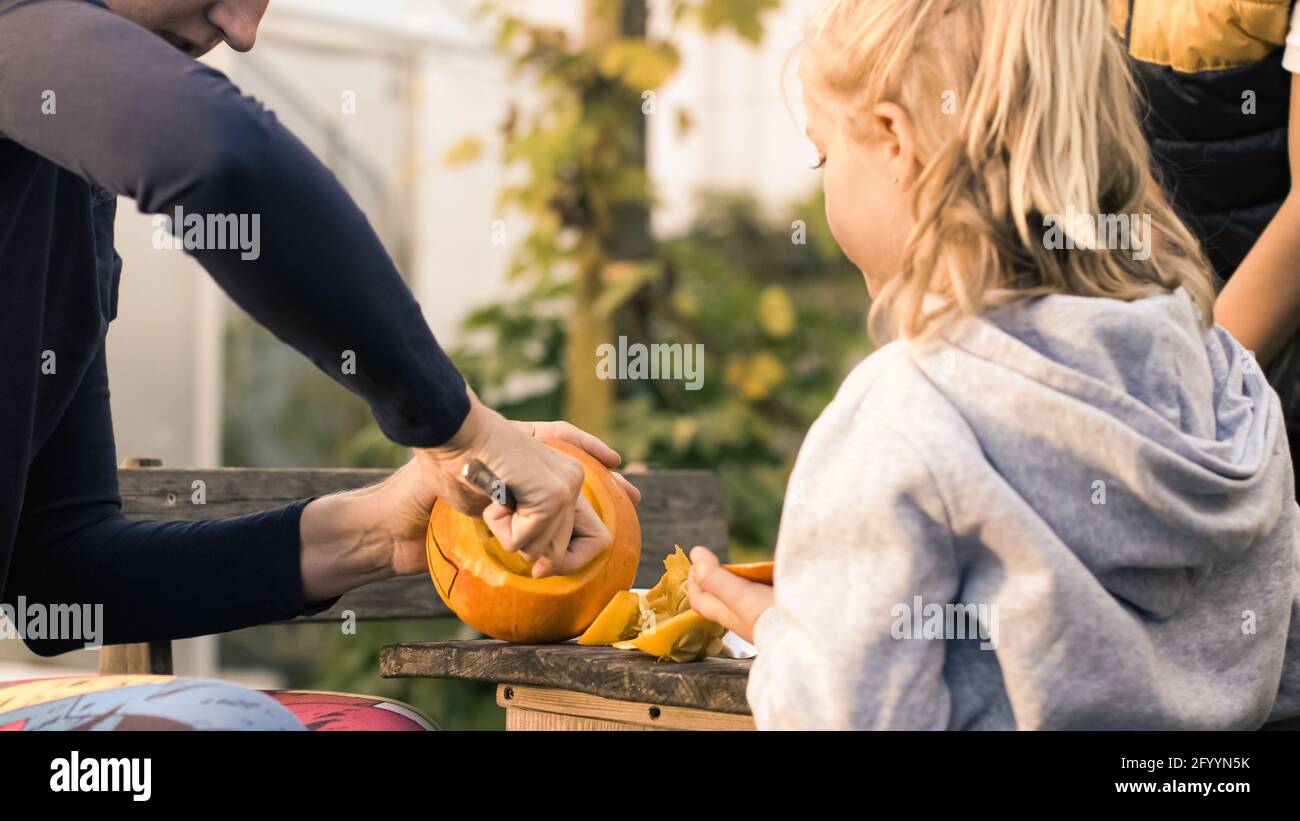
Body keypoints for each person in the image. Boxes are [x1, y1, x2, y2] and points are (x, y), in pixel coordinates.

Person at [688, 0, 1300, 730]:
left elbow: (851, 715)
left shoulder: (903, 418)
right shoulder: (1231, 389)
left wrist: (795, 638)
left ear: (892, 138)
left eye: (824, 154)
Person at [0, 0, 640, 670]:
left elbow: (59, 571)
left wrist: (381, 530)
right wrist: (464, 433)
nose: (242, 30)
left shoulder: (60, 175)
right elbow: (221, 156)